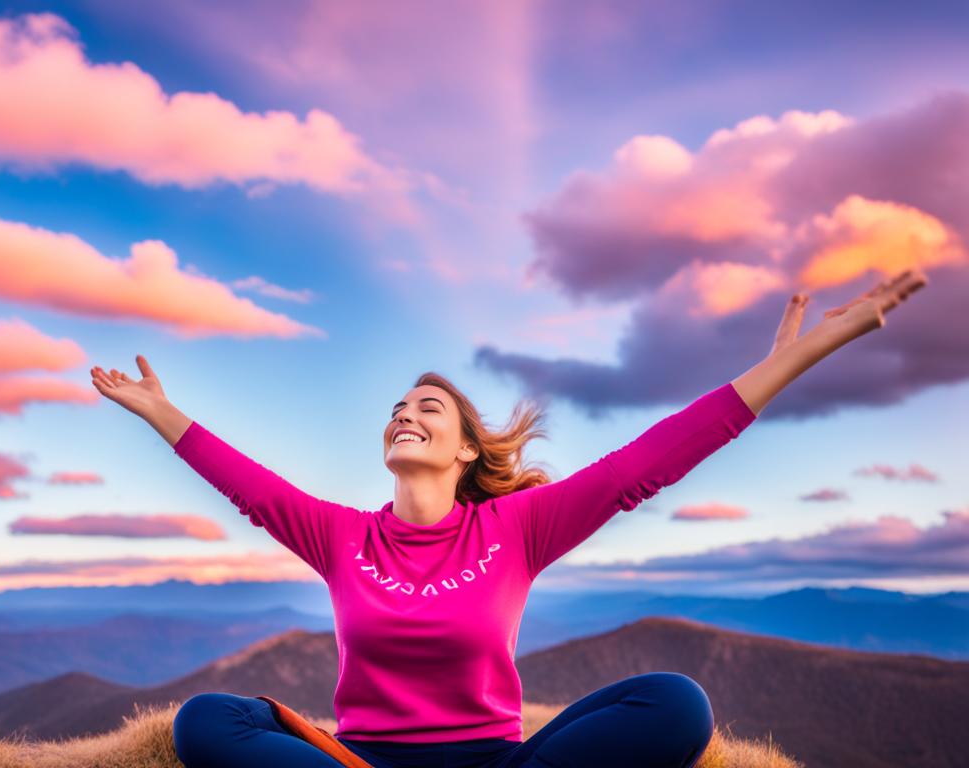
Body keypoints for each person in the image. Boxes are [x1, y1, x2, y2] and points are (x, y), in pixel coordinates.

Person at [90, 269, 927, 768]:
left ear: (463, 450)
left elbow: (646, 462)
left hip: (500, 762)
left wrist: (789, 362)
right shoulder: (343, 536)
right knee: (206, 721)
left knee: (676, 702)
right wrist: (163, 413)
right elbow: (251, 488)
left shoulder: (516, 528)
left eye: (427, 407)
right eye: (396, 407)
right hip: (364, 759)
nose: (403, 414)